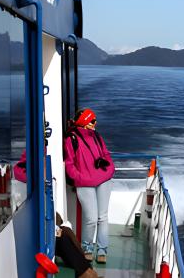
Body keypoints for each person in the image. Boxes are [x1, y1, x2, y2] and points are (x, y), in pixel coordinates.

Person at [64, 108, 115, 264]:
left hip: (104, 179)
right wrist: (79, 178)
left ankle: (102, 250)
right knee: (91, 219)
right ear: (85, 122)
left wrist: (110, 168)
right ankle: (87, 248)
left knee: (102, 217)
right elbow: (69, 163)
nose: (95, 123)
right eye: (92, 120)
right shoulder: (71, 139)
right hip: (85, 183)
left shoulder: (97, 136)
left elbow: (106, 154)